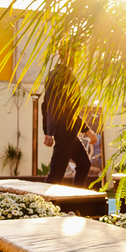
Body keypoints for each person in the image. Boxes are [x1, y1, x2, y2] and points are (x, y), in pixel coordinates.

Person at [42, 51, 92, 187]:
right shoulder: (66, 76)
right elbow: (69, 110)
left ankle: (76, 200)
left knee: (84, 164)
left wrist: (48, 131)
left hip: (65, 131)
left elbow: (46, 105)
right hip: (66, 131)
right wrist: (87, 130)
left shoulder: (52, 74)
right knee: (56, 173)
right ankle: (45, 206)